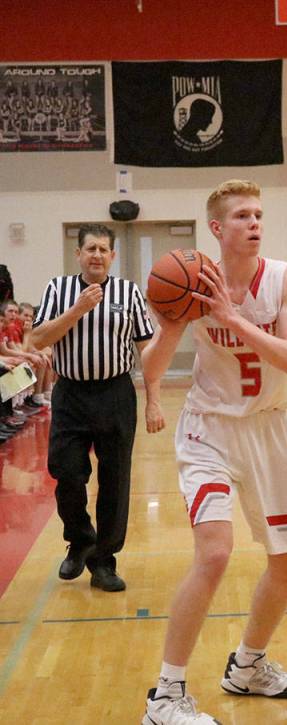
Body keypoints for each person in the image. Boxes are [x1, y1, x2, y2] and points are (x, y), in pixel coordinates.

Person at [140, 180, 287, 725]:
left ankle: (248, 667)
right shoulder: (190, 282)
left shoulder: (286, 279)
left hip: (268, 429)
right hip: (208, 427)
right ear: (217, 228)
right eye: (242, 216)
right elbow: (151, 368)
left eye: (259, 214)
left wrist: (232, 317)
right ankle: (165, 697)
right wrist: (177, 322)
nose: (254, 224)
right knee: (214, 553)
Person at [27, 224, 160, 592]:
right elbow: (37, 337)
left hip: (116, 393)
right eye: (90, 249)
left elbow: (148, 352)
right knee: (65, 470)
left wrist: (154, 402)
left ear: (113, 256)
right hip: (71, 394)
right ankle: (80, 537)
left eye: (104, 249)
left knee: (115, 479)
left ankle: (104, 560)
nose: (97, 255)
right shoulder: (58, 289)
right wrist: (78, 309)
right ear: (78, 254)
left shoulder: (129, 292)